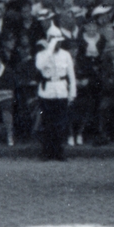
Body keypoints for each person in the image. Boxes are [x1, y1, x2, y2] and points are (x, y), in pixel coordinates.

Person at [35, 25, 77, 162]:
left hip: (61, 91)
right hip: (47, 92)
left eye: (59, 41)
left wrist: (72, 92)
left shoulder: (66, 55)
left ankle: (59, 152)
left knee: (60, 123)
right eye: (55, 41)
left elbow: (71, 75)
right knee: (47, 123)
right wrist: (49, 49)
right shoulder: (42, 55)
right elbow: (40, 66)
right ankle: (46, 152)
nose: (58, 44)